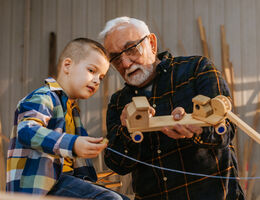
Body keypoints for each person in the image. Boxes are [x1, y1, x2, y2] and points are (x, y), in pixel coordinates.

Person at [99, 17, 244, 200]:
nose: (125, 63)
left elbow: (227, 130)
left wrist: (198, 131)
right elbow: (116, 164)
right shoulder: (119, 102)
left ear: (151, 43)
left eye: (131, 49)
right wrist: (128, 130)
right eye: (116, 59)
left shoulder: (197, 69)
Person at [6, 38, 129, 200]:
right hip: (41, 186)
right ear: (67, 66)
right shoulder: (43, 97)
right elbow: (27, 130)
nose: (96, 80)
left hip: (67, 180)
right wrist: (73, 144)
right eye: (92, 71)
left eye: (101, 77)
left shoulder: (72, 110)